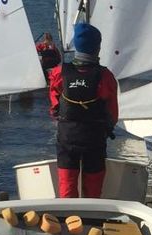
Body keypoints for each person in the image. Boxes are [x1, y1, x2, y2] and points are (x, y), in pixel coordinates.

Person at [48, 23, 118, 198]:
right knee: (93, 190)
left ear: (77, 46)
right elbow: (113, 113)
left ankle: (69, 221)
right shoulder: (105, 76)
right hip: (94, 140)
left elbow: (54, 107)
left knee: (67, 187)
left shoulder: (59, 72)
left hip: (67, 139)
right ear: (98, 47)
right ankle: (91, 220)